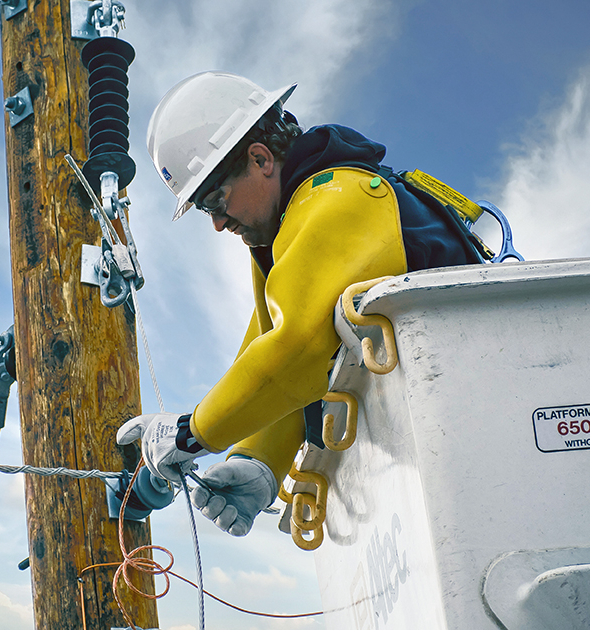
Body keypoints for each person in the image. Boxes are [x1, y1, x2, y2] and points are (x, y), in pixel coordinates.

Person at [116, 71, 484, 537]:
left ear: (260, 158)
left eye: (214, 200)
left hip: (475, 423)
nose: (216, 223)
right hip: (449, 441)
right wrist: (259, 460)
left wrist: (192, 435)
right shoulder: (285, 238)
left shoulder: (339, 198)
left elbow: (301, 346)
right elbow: (274, 357)